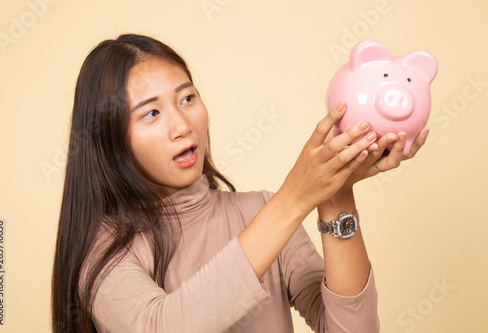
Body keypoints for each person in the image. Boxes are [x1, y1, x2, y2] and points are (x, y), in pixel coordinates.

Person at [51, 34, 428, 333]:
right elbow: (163, 327)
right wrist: (294, 199)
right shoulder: (102, 246)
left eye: (187, 98)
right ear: (109, 136)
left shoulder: (260, 213)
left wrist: (336, 191)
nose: (182, 125)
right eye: (151, 113)